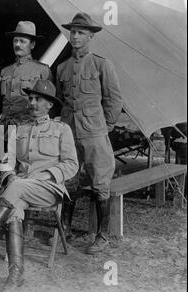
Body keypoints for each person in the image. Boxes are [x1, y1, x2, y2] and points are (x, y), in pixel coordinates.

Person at [0, 80, 78, 292]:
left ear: (49, 104)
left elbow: (71, 165)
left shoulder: (62, 129)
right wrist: (10, 175)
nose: (32, 103)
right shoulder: (19, 130)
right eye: (30, 99)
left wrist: (47, 176)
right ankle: (15, 274)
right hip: (19, 188)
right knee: (13, 211)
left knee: (17, 188)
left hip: (48, 189)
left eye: (38, 99)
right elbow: (6, 161)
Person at [56, 12, 124, 254]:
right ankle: (65, 227)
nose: (75, 36)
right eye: (73, 32)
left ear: (91, 36)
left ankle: (102, 236)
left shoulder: (101, 64)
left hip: (95, 131)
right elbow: (61, 100)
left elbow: (114, 99)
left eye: (81, 33)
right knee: (69, 178)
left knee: (100, 182)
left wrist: (107, 125)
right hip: (69, 131)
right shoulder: (62, 67)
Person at [0, 21, 53, 126]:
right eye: (15, 41)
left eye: (22, 41)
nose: (17, 45)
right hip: (4, 128)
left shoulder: (42, 70)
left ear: (32, 45)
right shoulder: (5, 71)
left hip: (27, 128)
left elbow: (50, 103)